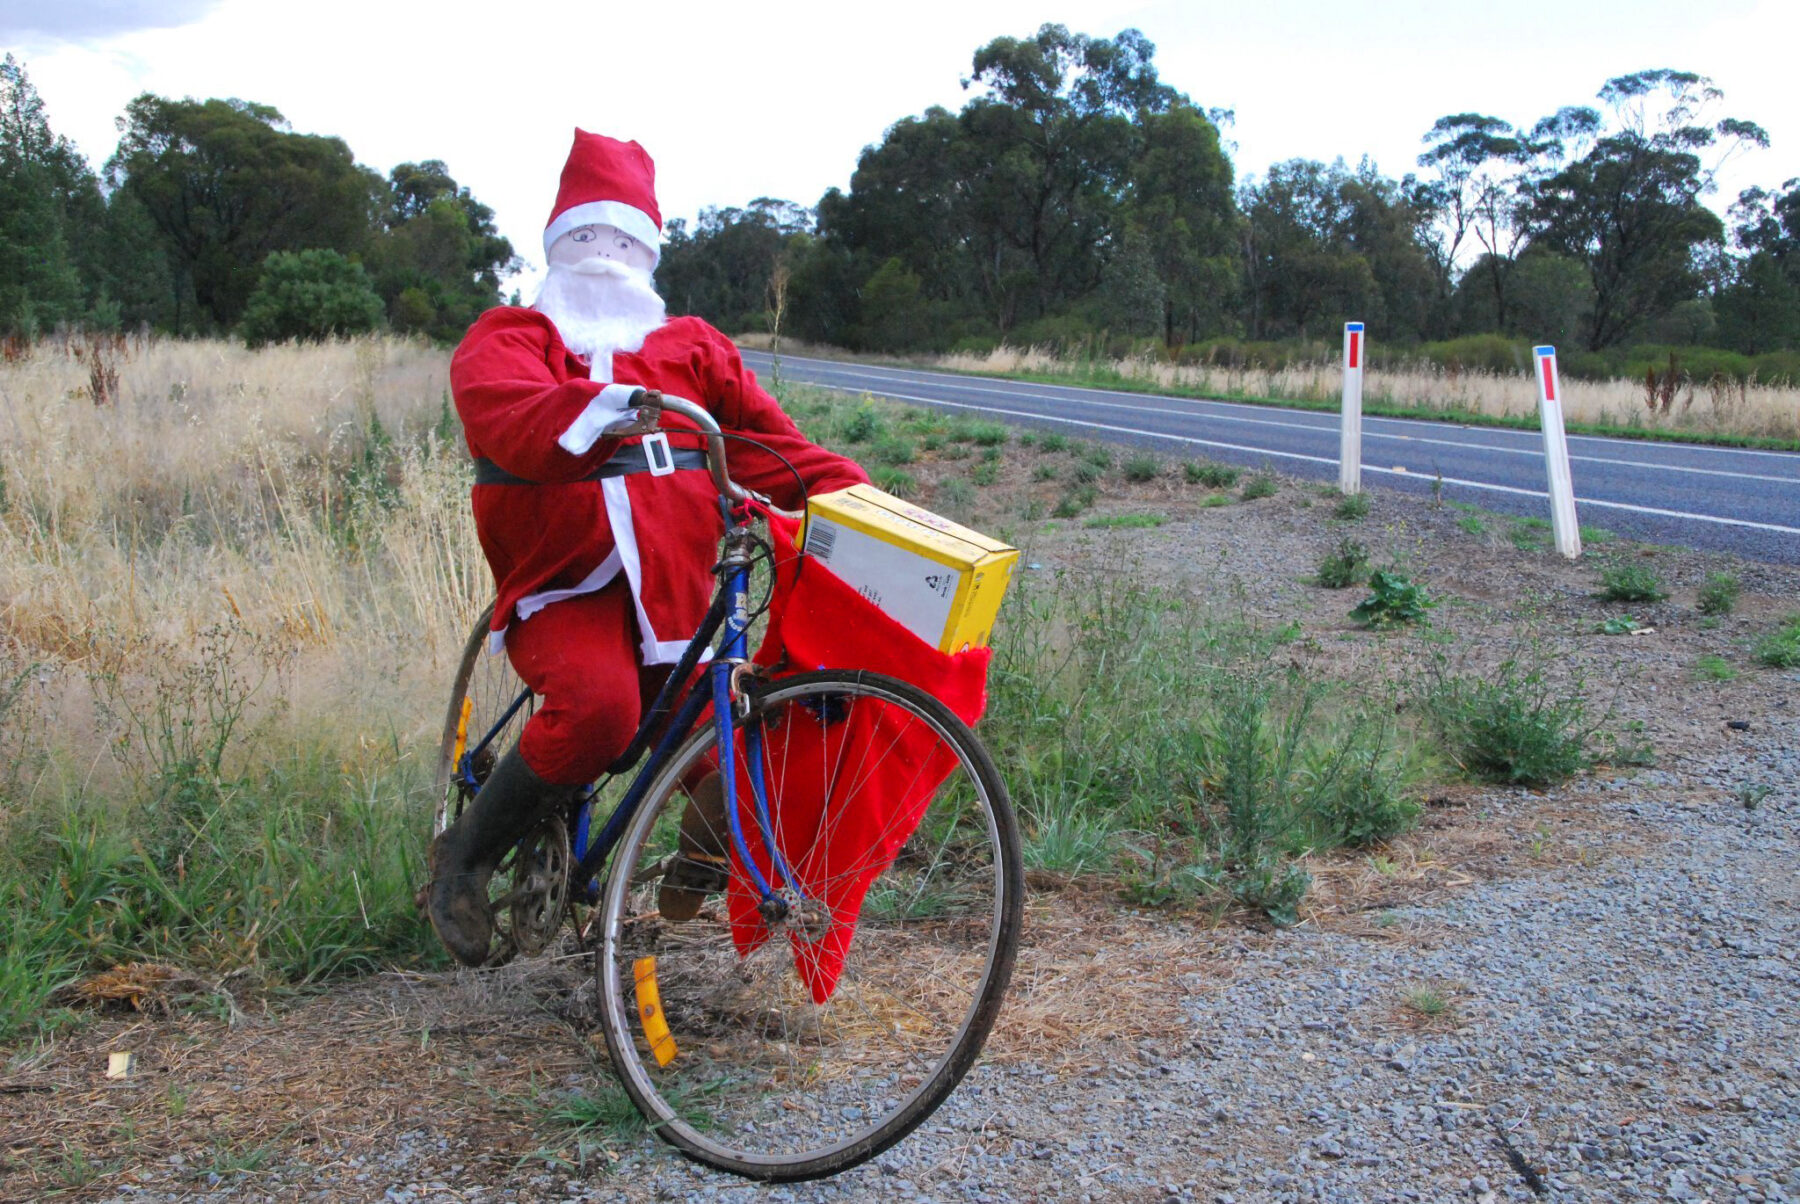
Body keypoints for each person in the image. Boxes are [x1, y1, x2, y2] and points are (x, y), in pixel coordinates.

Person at [427, 129, 867, 966]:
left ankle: (700, 852)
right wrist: (602, 410)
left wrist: (869, 503)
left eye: (623, 243)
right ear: (558, 246)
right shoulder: (514, 339)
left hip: (673, 593)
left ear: (649, 255)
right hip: (565, 586)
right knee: (600, 709)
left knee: (733, 717)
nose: (604, 258)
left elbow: (775, 451)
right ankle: (465, 857)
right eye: (587, 239)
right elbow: (508, 416)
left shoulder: (692, 350)